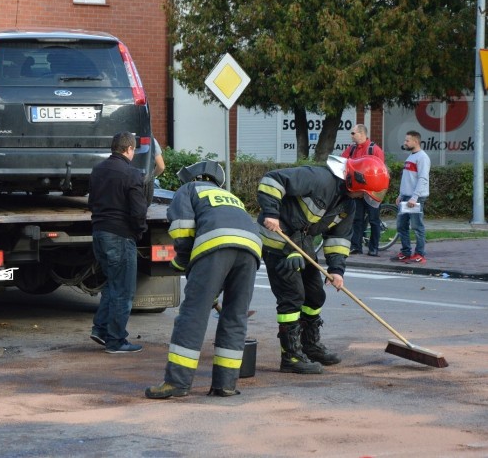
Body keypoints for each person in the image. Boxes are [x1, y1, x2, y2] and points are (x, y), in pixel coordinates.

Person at [257, 155, 389, 374]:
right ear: (355, 181)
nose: (362, 198)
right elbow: (272, 180)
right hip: (279, 238)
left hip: (302, 241)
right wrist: (271, 212)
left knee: (315, 295)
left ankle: (310, 346)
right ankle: (290, 356)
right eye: (363, 193)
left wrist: (336, 270)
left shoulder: (348, 204)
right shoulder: (319, 178)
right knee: (292, 296)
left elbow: (339, 238)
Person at [145, 161, 262, 399]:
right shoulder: (230, 196)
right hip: (251, 250)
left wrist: (181, 262)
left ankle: (177, 383)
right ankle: (225, 384)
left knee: (193, 315)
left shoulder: (188, 190)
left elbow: (182, 228)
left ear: (193, 177)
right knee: (235, 316)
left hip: (215, 247)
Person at [88, 131, 148, 354]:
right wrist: (139, 231)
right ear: (129, 149)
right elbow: (139, 210)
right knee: (124, 290)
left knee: (112, 284)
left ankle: (101, 330)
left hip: (99, 233)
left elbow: (92, 202)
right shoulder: (132, 174)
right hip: (120, 236)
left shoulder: (97, 170)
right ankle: (116, 341)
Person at [341, 124, 385, 256]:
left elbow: (380, 171)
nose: (351, 135)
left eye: (353, 133)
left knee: (373, 220)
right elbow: (343, 163)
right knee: (357, 219)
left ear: (361, 133)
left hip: (372, 192)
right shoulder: (351, 149)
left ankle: (374, 247)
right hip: (357, 191)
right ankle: (356, 246)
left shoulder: (375, 150)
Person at [390, 130, 431, 264]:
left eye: (407, 140)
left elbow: (423, 179)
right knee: (401, 226)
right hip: (406, 197)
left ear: (416, 141)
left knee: (417, 226)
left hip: (415, 198)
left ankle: (420, 254)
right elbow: (407, 179)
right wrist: (401, 195)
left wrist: (414, 197)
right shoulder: (411, 157)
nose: (405, 142)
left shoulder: (422, 157)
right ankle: (406, 252)